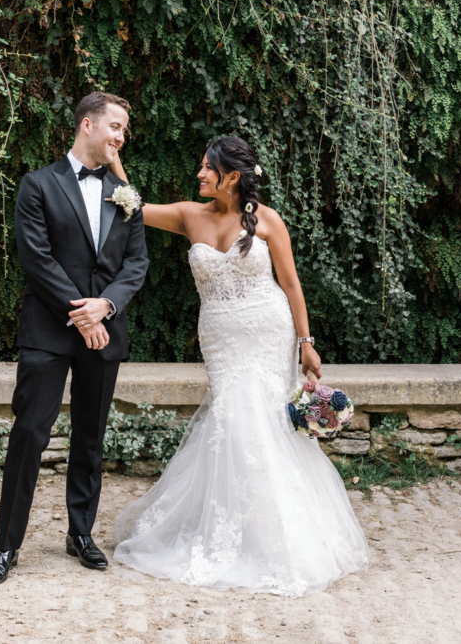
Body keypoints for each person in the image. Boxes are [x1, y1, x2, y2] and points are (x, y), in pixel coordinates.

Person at [108, 135, 368, 596]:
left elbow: (291, 285)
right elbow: (135, 207)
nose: (200, 174)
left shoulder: (267, 220)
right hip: (222, 340)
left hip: (268, 333)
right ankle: (230, 527)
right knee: (232, 419)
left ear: (231, 176)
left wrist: (307, 343)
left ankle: (280, 536)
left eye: (208, 168)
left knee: (264, 420)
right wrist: (114, 160)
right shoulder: (190, 215)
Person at [0, 92, 149, 586]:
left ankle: (81, 534)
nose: (120, 137)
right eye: (115, 126)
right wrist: (82, 315)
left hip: (105, 331)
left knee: (90, 437)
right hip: (50, 330)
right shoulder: (38, 184)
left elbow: (136, 263)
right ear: (87, 124)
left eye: (124, 131)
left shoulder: (127, 193)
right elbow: (36, 258)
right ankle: (6, 546)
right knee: (30, 434)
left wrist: (107, 306)